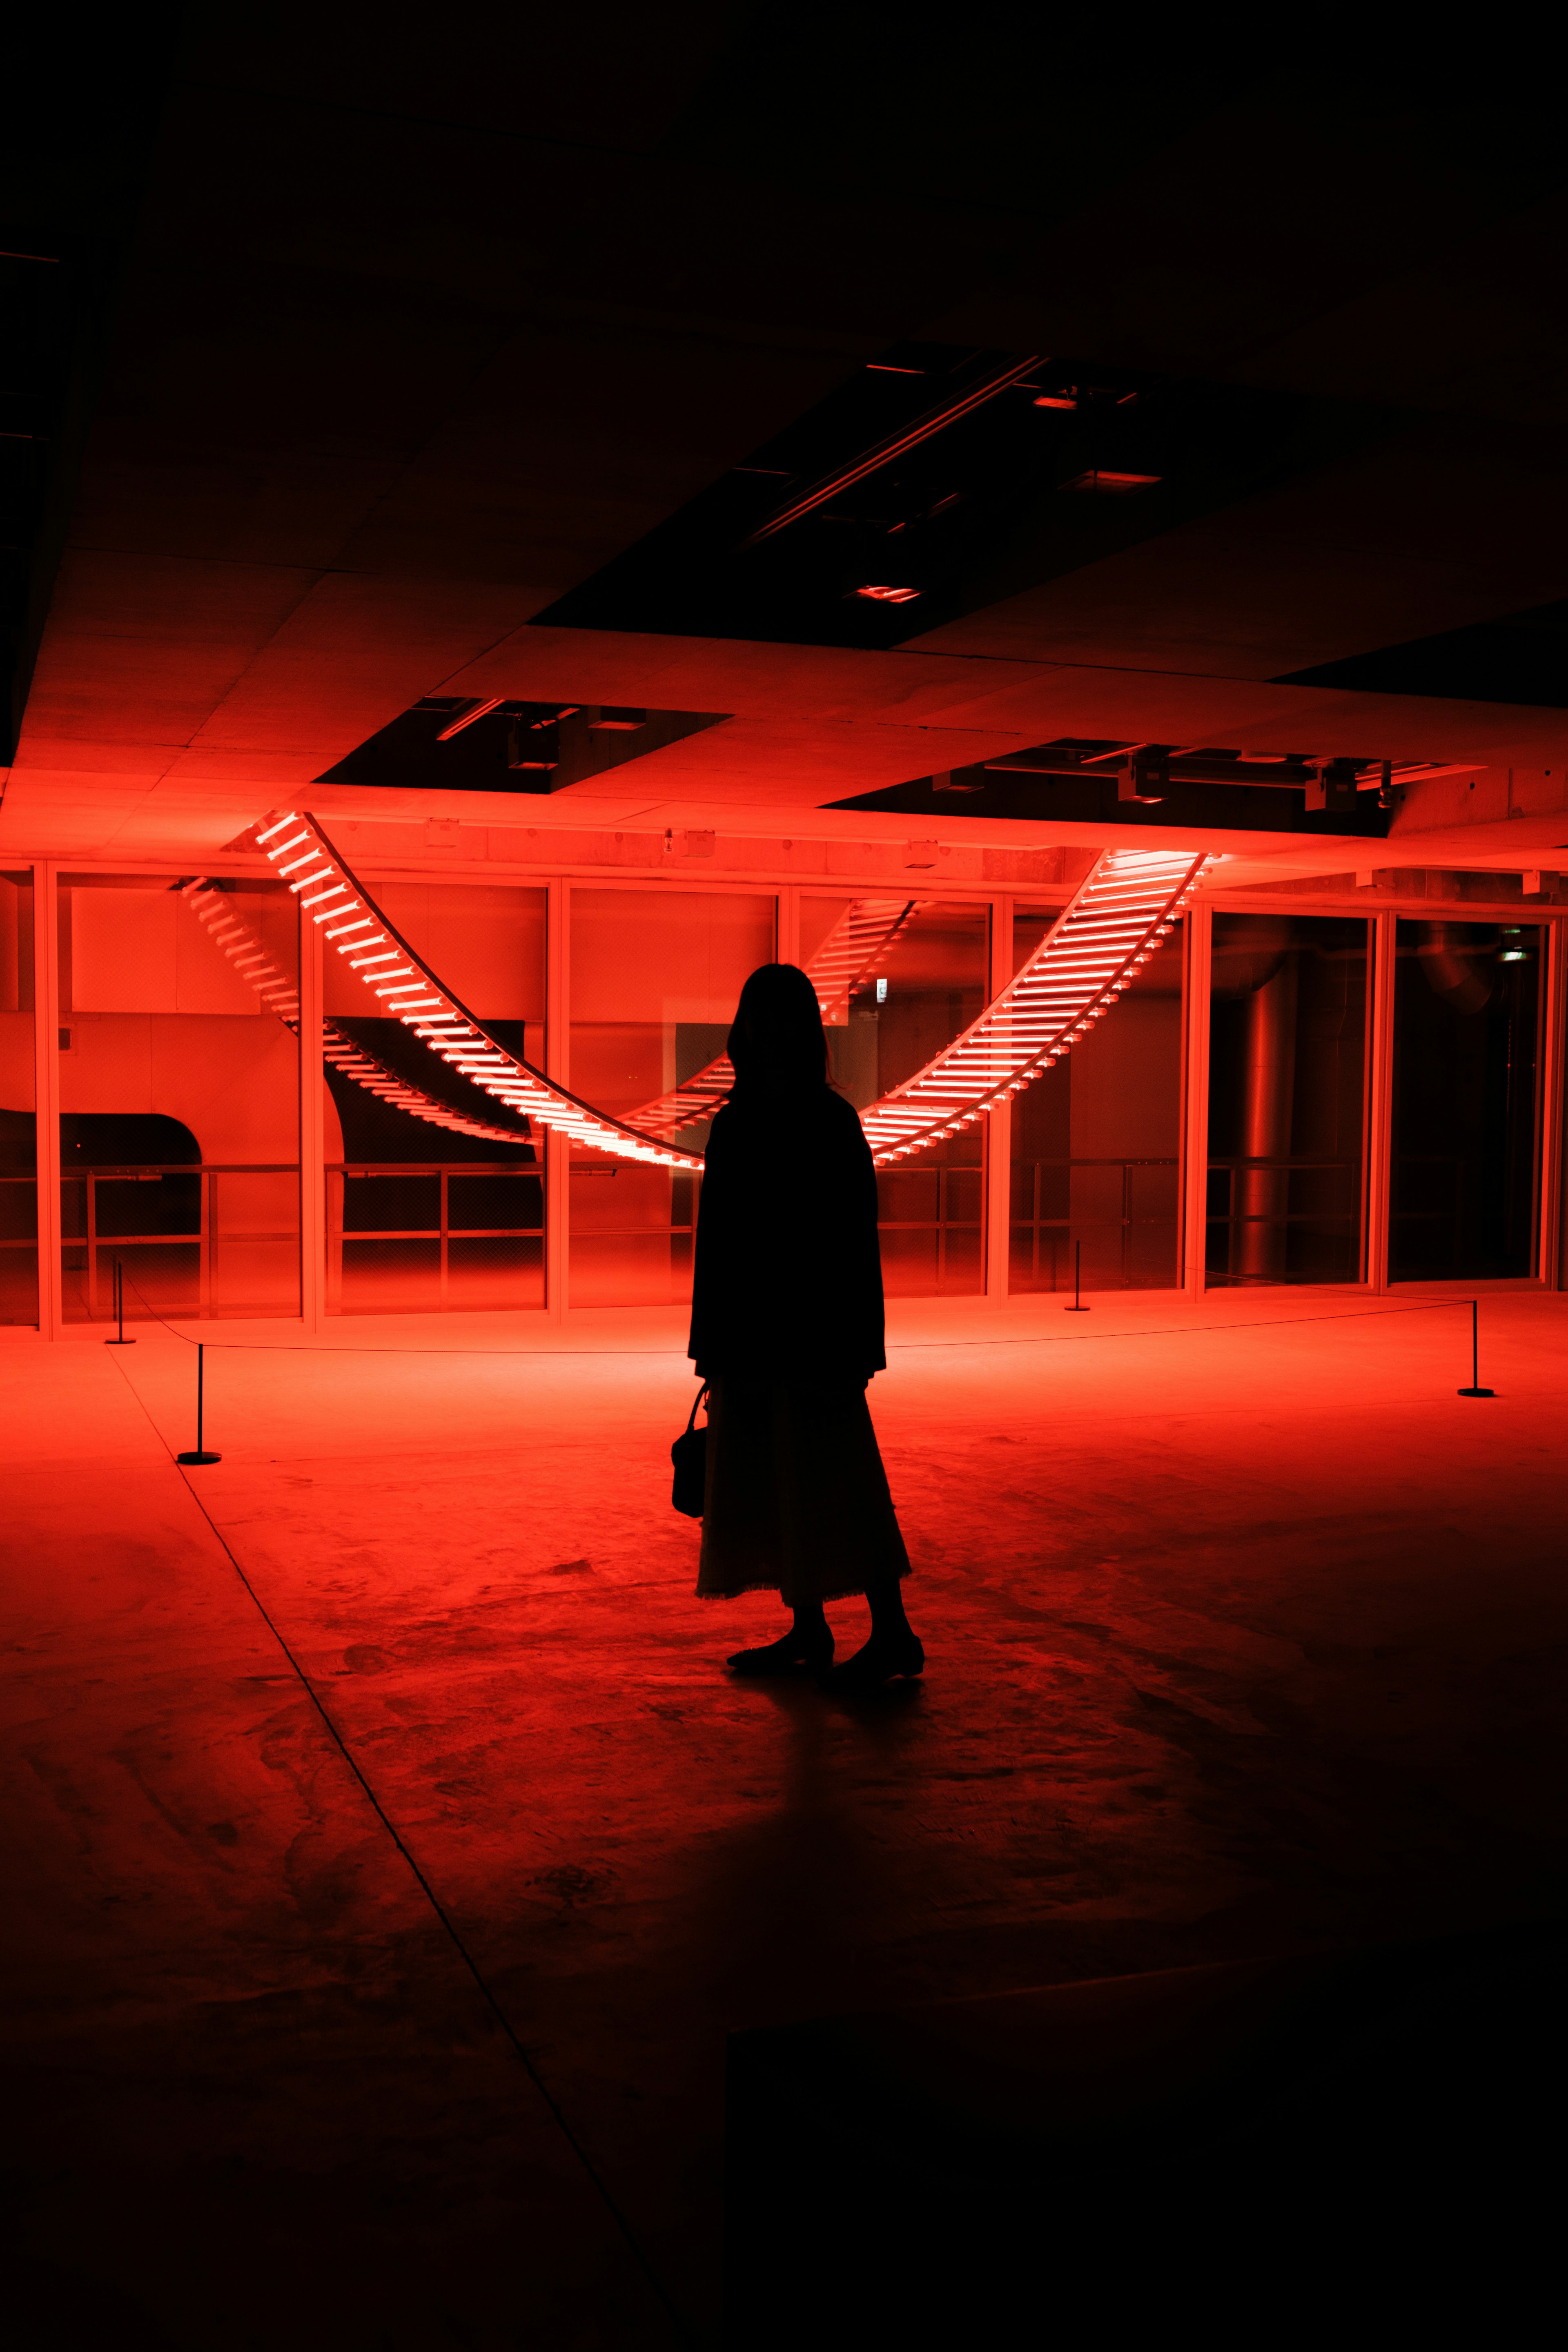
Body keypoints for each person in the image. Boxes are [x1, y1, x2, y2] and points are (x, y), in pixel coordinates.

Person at [688, 962, 923, 1689]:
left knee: (839, 1480)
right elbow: (719, 1242)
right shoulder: (764, 1123)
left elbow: (853, 1241)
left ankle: (889, 1631)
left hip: (810, 1336)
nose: (771, 1030)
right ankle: (816, 1628)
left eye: (781, 1015)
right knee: (796, 1481)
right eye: (762, 1015)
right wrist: (711, 1346)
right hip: (762, 1336)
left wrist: (857, 1346)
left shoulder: (820, 1122)